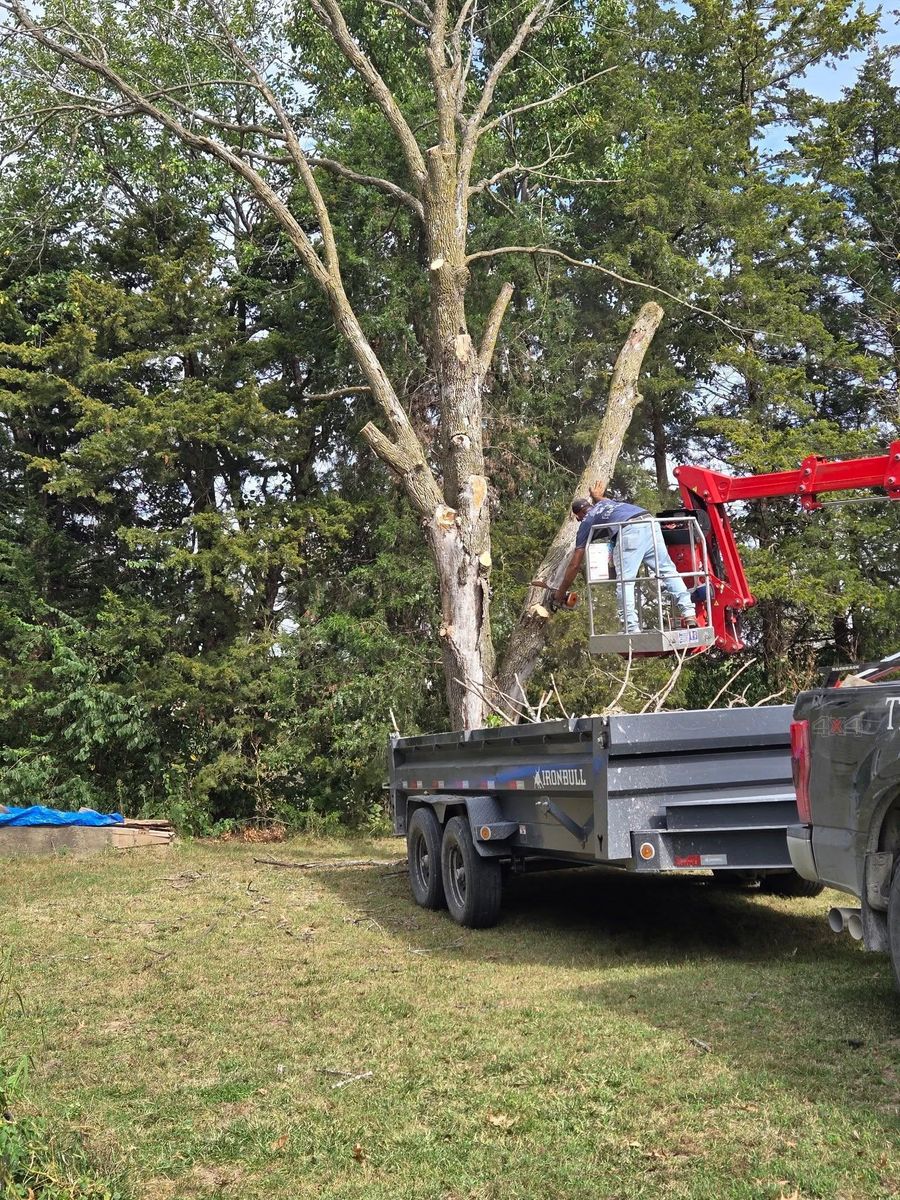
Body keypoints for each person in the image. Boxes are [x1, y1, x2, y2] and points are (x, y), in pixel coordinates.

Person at [554, 484, 697, 634]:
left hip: (630, 530)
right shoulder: (605, 503)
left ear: (578, 516)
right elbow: (602, 500)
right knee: (668, 571)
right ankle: (689, 613)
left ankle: (631, 627)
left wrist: (560, 593)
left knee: (625, 581)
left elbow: (575, 565)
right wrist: (596, 496)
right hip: (651, 524)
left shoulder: (586, 521)